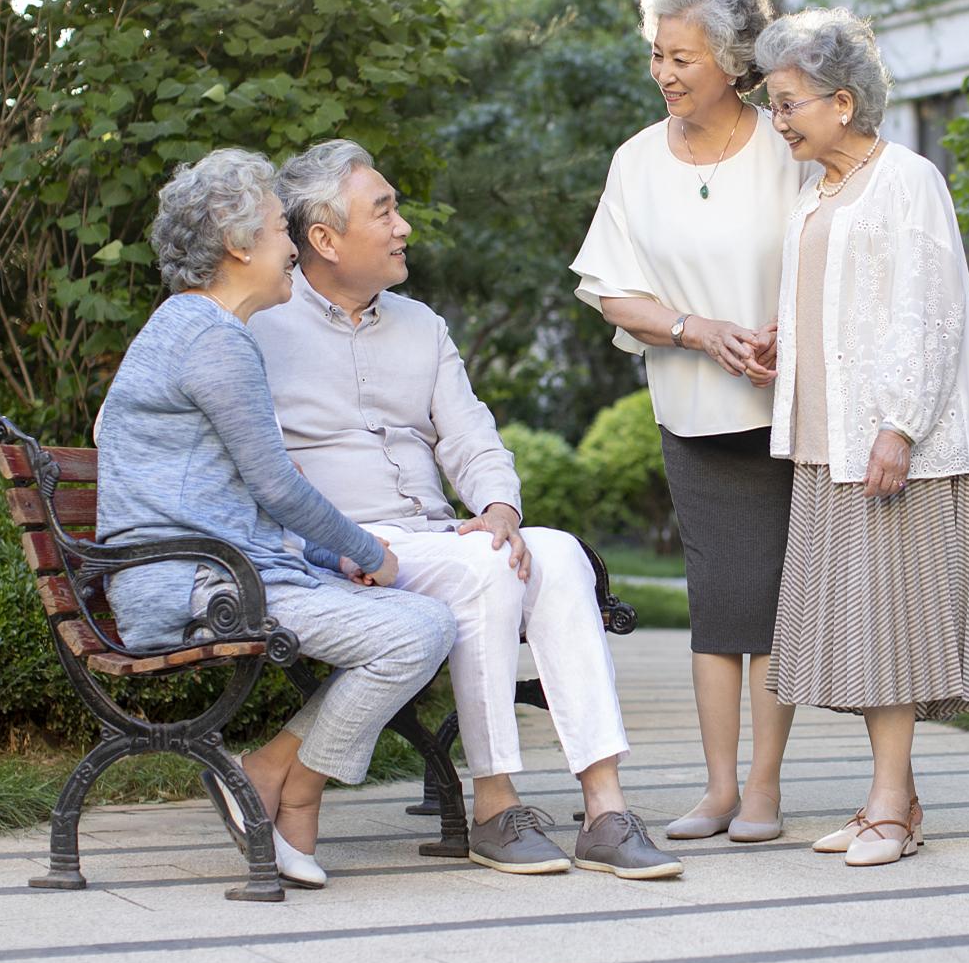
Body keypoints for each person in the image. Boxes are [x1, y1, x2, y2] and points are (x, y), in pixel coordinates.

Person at [252, 139, 681, 880]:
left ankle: (605, 808)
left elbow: (472, 436)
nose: (402, 226)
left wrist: (500, 507)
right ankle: (494, 804)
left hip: (432, 539)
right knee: (485, 565)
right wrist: (320, 540)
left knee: (554, 550)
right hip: (346, 554)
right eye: (382, 210)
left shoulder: (422, 326)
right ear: (324, 238)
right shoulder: (259, 324)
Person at [96, 147, 457, 891]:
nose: (292, 244)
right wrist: (372, 552)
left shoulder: (195, 328)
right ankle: (283, 780)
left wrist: (331, 561)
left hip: (217, 568)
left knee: (414, 624)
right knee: (419, 627)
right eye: (275, 228)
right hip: (194, 584)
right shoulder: (213, 340)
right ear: (237, 246)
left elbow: (239, 500)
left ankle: (274, 777)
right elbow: (277, 487)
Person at [754, 8, 969, 867]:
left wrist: (898, 426)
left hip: (891, 445)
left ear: (842, 99)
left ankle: (891, 809)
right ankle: (888, 801)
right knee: (863, 632)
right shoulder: (816, 191)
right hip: (829, 445)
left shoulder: (906, 179)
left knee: (890, 630)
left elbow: (928, 312)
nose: (778, 118)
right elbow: (839, 303)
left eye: (788, 103)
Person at [570, 0, 815, 843]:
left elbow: (829, 254)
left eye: (682, 56)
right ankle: (715, 791)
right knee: (716, 604)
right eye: (657, 56)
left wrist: (788, 331)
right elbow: (609, 290)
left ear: (733, 62)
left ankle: (763, 790)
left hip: (789, 412)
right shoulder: (636, 161)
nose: (665, 73)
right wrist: (694, 328)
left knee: (776, 601)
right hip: (692, 412)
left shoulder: (785, 148)